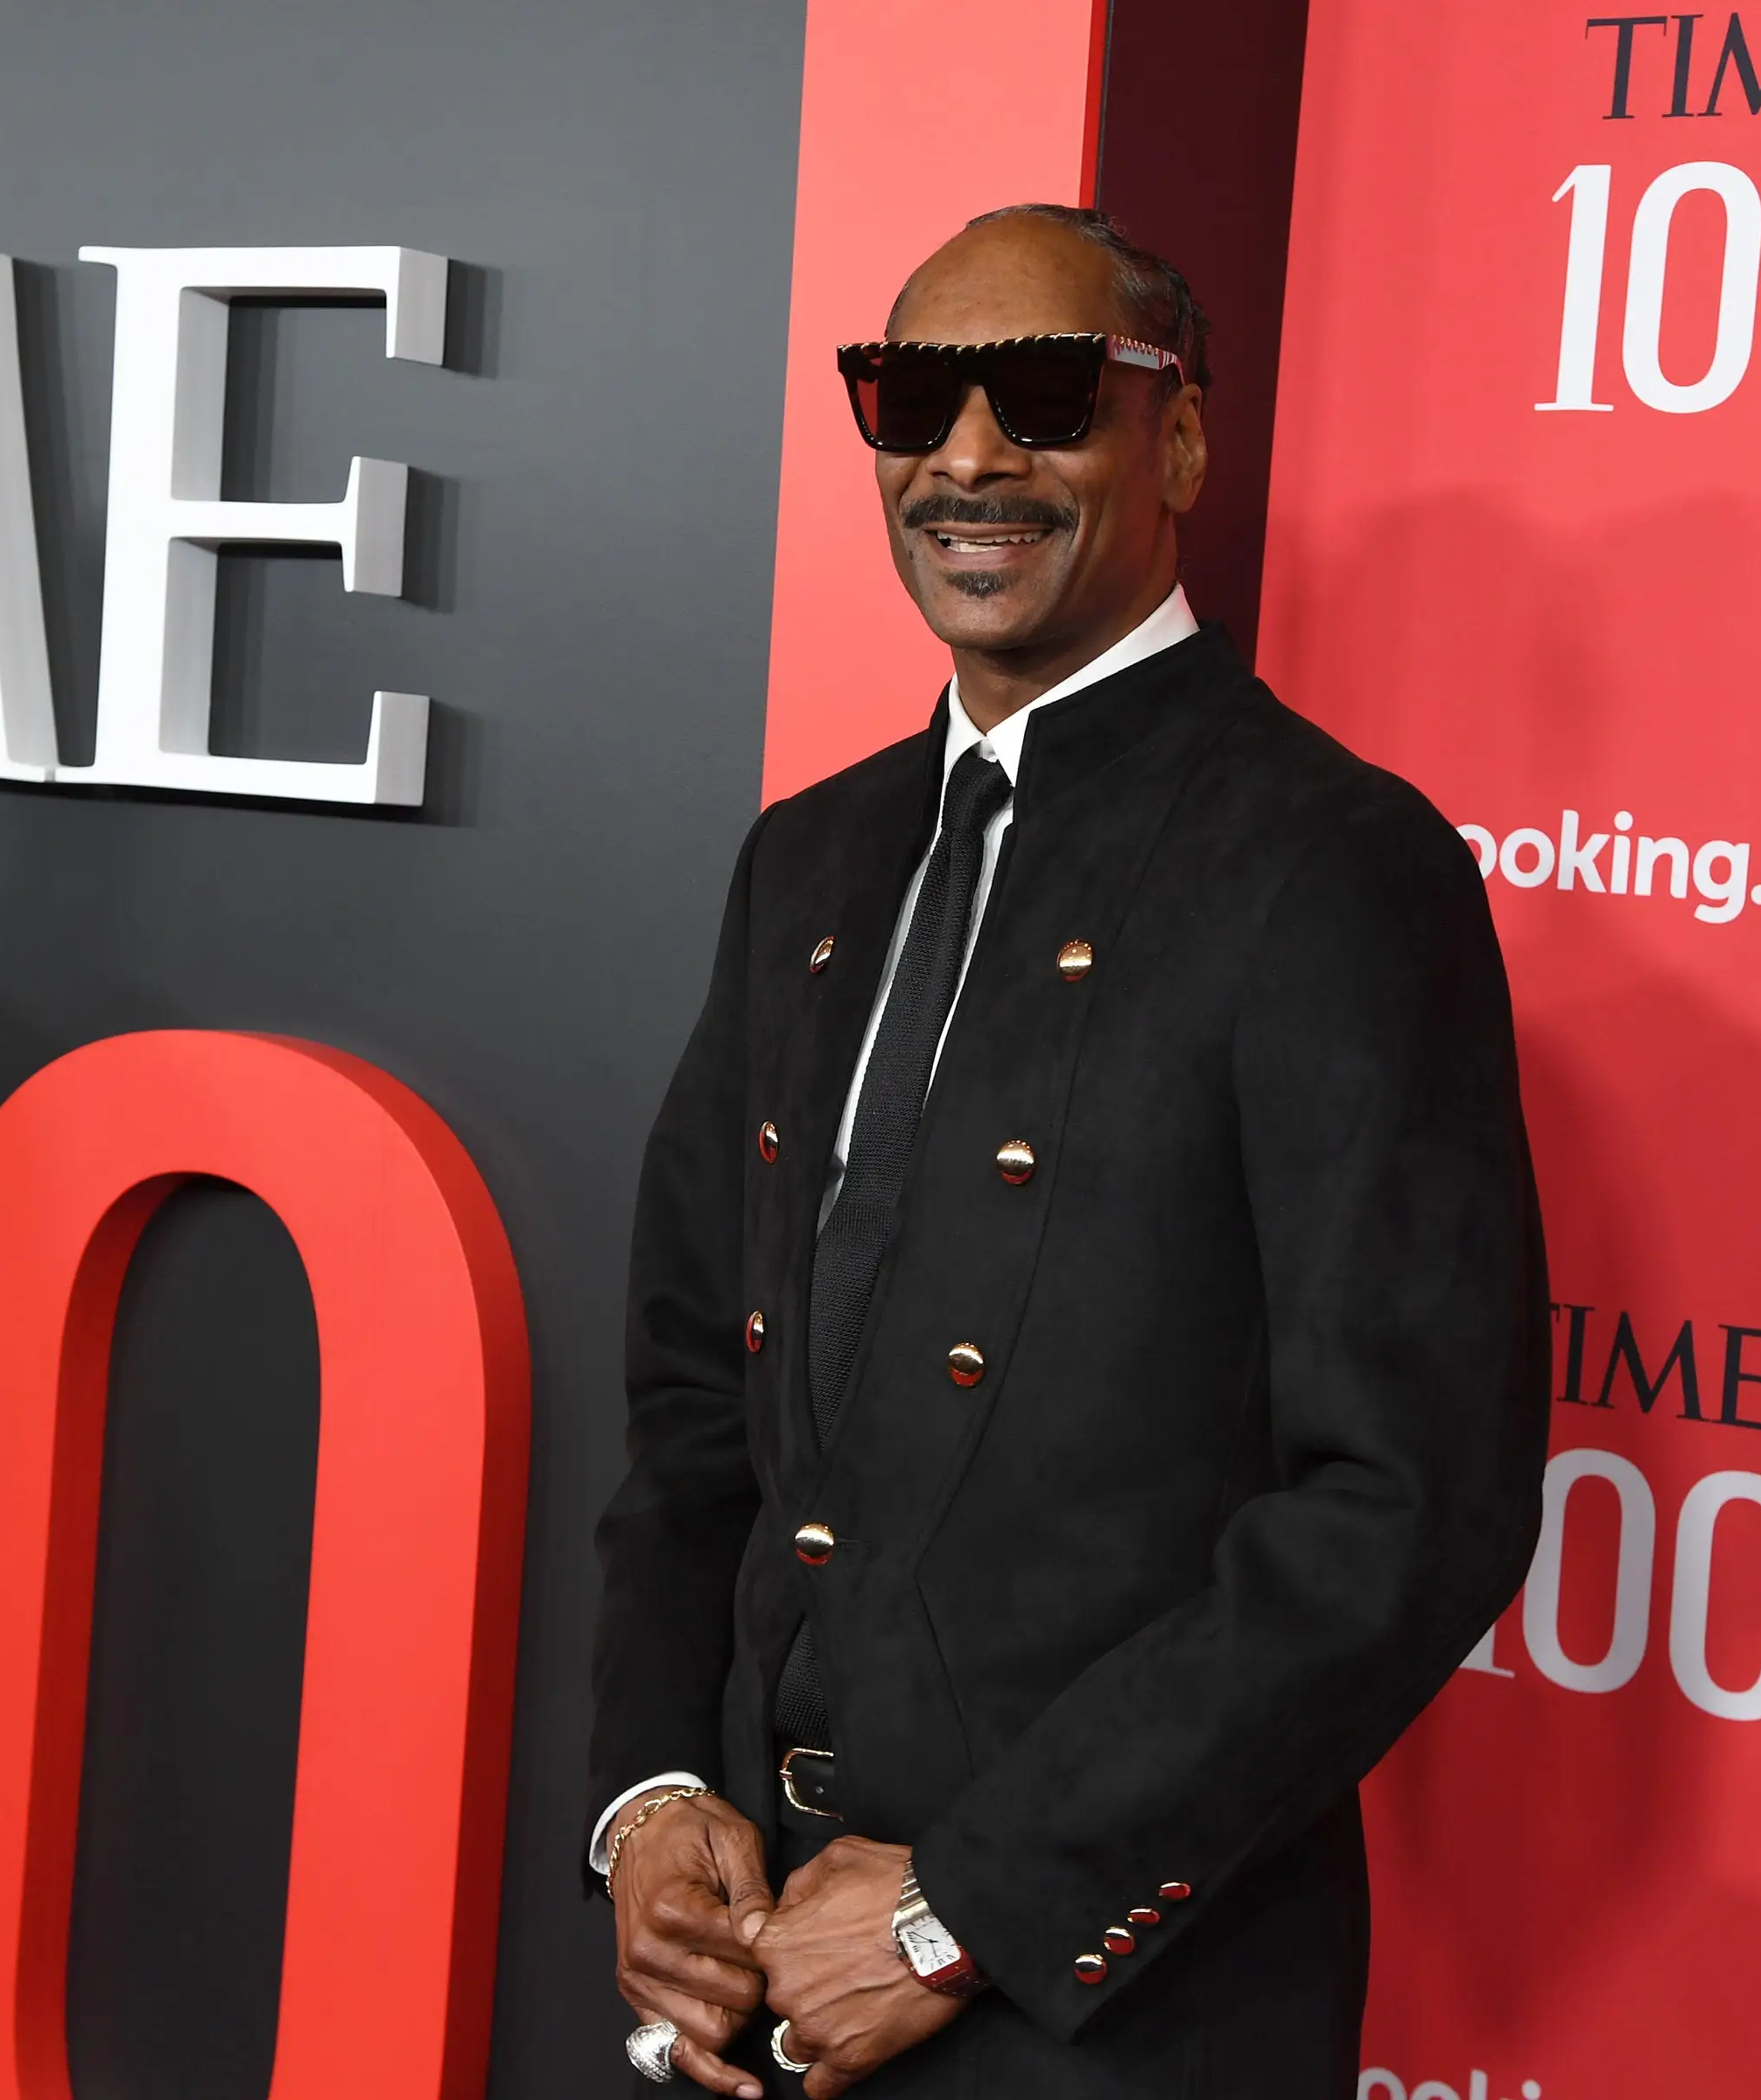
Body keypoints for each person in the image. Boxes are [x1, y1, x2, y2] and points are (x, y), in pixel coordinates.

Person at [589, 203, 1549, 2099]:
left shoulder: (1332, 867)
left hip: (1118, 2014)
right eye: (910, 401)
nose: (966, 459)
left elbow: (1402, 1504)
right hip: (745, 1986)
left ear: (1176, 441)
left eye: (1041, 399)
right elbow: (699, 1399)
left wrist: (971, 1905)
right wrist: (653, 1799)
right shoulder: (812, 857)